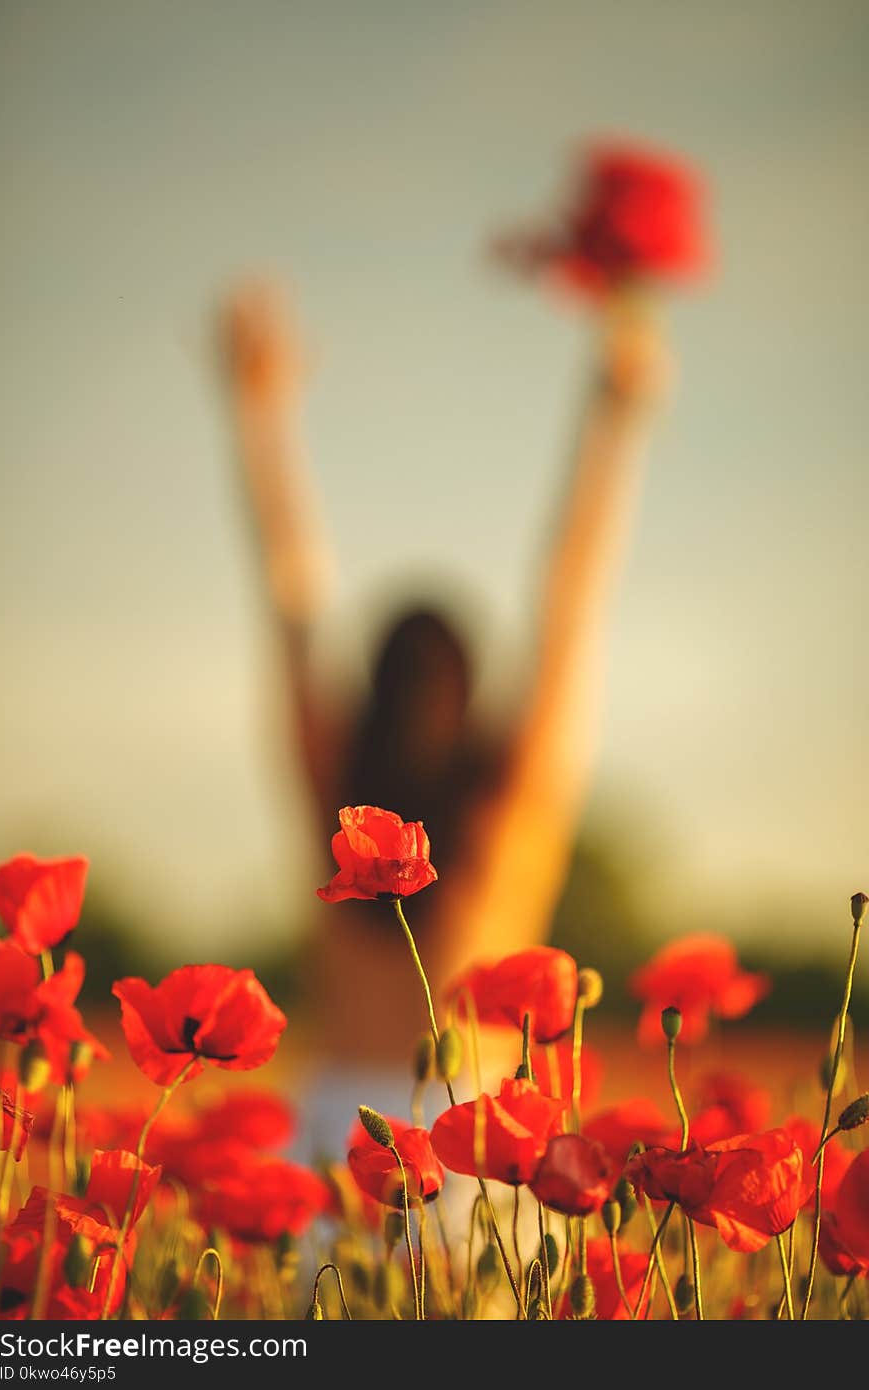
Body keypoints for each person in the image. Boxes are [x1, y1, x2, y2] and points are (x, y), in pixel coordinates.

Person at [221, 280, 672, 1147]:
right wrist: (616, 414)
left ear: (369, 691)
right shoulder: (512, 806)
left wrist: (259, 412)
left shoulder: (332, 797)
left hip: (332, 1141)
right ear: (470, 701)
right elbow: (568, 604)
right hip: (480, 1152)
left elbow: (291, 602)